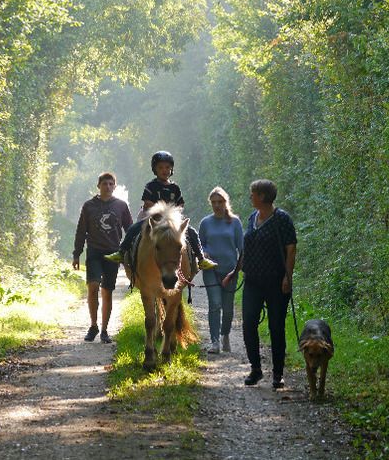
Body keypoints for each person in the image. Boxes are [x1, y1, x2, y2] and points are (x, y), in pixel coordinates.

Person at [223, 179, 297, 387]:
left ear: (262, 196)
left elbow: (291, 249)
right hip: (253, 281)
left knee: (276, 327)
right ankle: (255, 369)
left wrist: (288, 277)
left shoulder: (282, 219)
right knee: (248, 324)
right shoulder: (252, 218)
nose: (250, 196)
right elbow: (246, 250)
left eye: (253, 193)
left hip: (276, 282)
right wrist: (234, 272)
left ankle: (278, 374)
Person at [104, 151, 218, 270]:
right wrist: (162, 210)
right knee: (134, 228)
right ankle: (121, 252)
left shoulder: (175, 187)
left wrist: (173, 212)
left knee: (192, 232)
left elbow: (180, 204)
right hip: (154, 219)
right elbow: (147, 202)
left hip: (171, 220)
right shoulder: (151, 186)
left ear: (171, 169)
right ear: (155, 169)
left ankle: (201, 259)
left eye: (167, 167)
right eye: (161, 167)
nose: (164, 170)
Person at [73, 172, 133, 343]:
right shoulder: (88, 206)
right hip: (94, 251)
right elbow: (81, 231)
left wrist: (129, 254)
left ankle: (105, 330)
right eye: (105, 183)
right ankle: (93, 326)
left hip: (113, 254)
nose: (108, 187)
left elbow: (130, 230)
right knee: (93, 287)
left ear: (115, 186)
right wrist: (76, 254)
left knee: (107, 291)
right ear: (98, 186)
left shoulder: (121, 206)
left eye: (111, 184)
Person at [198, 187, 243, 354]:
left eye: (220, 202)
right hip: (211, 270)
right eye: (214, 202)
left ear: (226, 202)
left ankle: (225, 335)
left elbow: (242, 249)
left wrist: (239, 269)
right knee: (215, 304)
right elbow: (199, 245)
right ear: (210, 203)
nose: (217, 205)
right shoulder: (205, 223)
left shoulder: (235, 222)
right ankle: (215, 341)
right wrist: (203, 252)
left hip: (230, 271)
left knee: (228, 308)